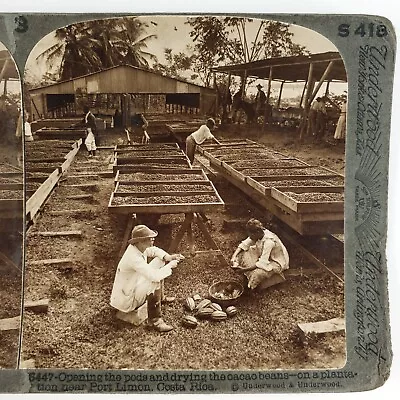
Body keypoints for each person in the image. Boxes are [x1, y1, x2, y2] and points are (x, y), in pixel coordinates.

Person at [110, 225, 184, 332]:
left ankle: (160, 298)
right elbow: (154, 276)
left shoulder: (138, 247)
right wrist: (170, 265)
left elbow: (153, 250)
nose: (152, 242)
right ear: (140, 241)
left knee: (160, 260)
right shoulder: (133, 257)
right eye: (149, 239)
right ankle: (155, 321)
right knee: (154, 281)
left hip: (132, 287)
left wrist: (168, 257)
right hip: (127, 299)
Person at [230, 218, 289, 291]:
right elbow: (244, 244)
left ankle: (251, 289)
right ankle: (248, 276)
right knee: (242, 253)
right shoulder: (259, 233)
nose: (250, 237)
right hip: (266, 256)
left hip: (276, 262)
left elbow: (262, 263)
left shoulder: (269, 242)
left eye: (251, 235)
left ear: (257, 232)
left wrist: (244, 269)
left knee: (257, 273)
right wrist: (233, 257)